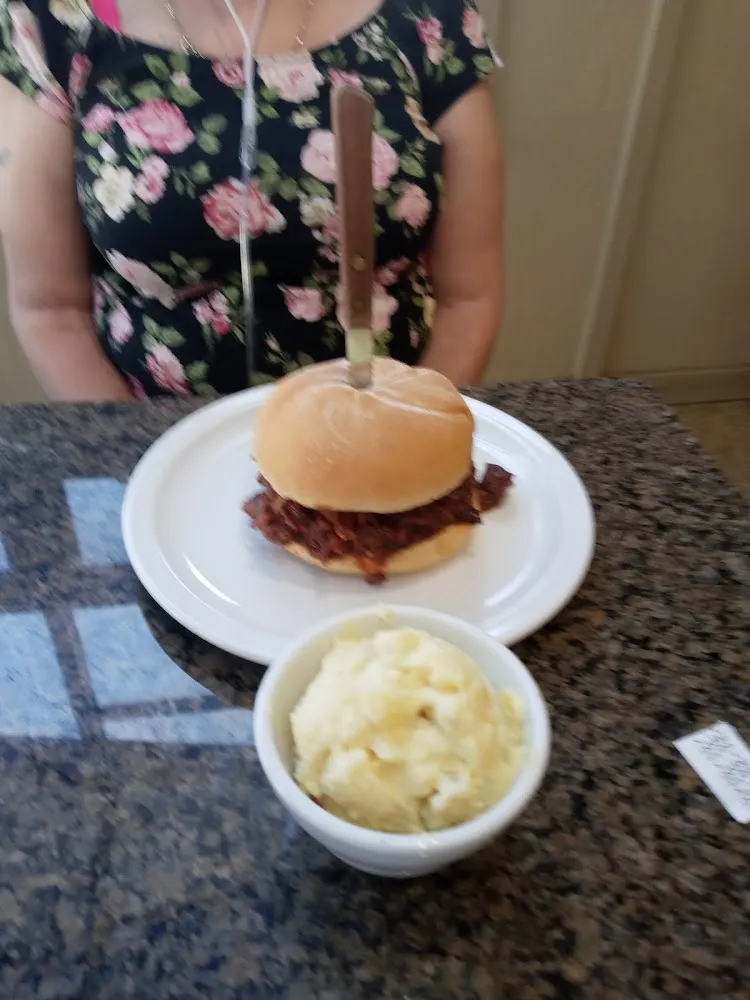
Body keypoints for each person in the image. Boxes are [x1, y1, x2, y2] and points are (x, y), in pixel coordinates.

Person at [0, 0, 504, 400]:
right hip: (148, 444)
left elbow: (468, 298)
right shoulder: (51, 23)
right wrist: (144, 469)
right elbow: (52, 312)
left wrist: (413, 433)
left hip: (382, 427)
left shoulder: (430, 16)